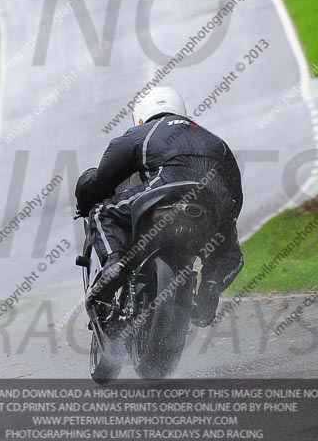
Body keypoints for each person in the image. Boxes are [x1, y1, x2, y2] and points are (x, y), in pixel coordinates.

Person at [75, 86, 244, 326]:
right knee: (230, 252)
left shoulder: (140, 133)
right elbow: (235, 197)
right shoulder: (216, 141)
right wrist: (224, 223)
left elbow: (100, 181)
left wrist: (84, 200)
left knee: (102, 212)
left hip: (165, 190)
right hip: (210, 205)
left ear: (141, 116)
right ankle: (209, 292)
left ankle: (115, 264)